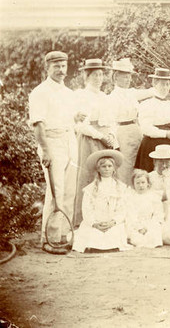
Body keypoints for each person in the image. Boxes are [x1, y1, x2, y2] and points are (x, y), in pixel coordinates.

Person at [28, 51, 78, 254]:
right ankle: (48, 238)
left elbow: (70, 118)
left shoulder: (68, 93)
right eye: (56, 66)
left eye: (63, 66)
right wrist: (46, 151)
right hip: (52, 142)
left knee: (69, 190)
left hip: (69, 140)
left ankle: (64, 235)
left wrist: (78, 117)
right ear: (47, 68)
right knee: (55, 191)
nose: (61, 70)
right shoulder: (39, 92)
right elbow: (38, 124)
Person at [135, 67, 170, 209]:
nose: (165, 87)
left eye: (167, 84)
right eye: (161, 83)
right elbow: (145, 127)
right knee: (152, 177)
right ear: (154, 83)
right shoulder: (146, 104)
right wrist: (165, 134)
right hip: (153, 143)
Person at [73, 58, 117, 228]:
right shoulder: (81, 95)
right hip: (90, 139)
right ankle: (84, 220)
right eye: (94, 75)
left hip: (106, 139)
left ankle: (105, 219)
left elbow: (113, 120)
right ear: (87, 76)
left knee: (106, 176)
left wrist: (111, 134)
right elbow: (81, 125)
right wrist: (100, 136)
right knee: (89, 177)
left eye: (100, 74)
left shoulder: (105, 96)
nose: (98, 78)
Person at [72, 150, 129, 253]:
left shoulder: (121, 188)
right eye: (103, 166)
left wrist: (112, 222)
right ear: (98, 169)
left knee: (114, 233)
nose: (107, 169)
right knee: (93, 234)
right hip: (96, 222)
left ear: (114, 168)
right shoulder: (90, 189)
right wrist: (95, 223)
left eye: (109, 166)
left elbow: (123, 209)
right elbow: (87, 210)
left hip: (112, 223)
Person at [108, 58, 153, 186]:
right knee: (125, 167)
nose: (128, 80)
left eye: (129, 77)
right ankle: (125, 196)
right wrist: (115, 143)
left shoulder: (131, 93)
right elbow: (111, 121)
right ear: (115, 78)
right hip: (123, 133)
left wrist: (168, 85)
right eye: (124, 77)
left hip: (136, 131)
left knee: (139, 165)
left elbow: (150, 92)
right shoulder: (112, 97)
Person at [126, 169, 163, 248]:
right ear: (133, 185)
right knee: (136, 236)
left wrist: (148, 226)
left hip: (149, 223)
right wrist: (139, 227)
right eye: (137, 183)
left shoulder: (153, 197)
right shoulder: (131, 197)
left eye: (143, 182)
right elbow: (131, 215)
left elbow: (158, 214)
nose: (140, 185)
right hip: (136, 223)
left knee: (155, 230)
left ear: (148, 184)